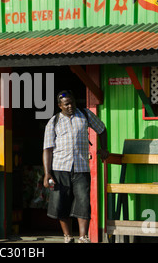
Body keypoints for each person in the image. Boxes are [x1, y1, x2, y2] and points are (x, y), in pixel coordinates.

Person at [42, 90, 109, 243]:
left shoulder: (85, 115)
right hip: (60, 168)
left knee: (83, 201)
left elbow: (102, 129)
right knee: (61, 202)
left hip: (81, 167)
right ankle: (67, 236)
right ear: (60, 106)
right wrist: (47, 173)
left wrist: (104, 149)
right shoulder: (53, 121)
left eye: (72, 102)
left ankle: (83, 237)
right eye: (66, 104)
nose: (70, 106)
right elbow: (47, 148)